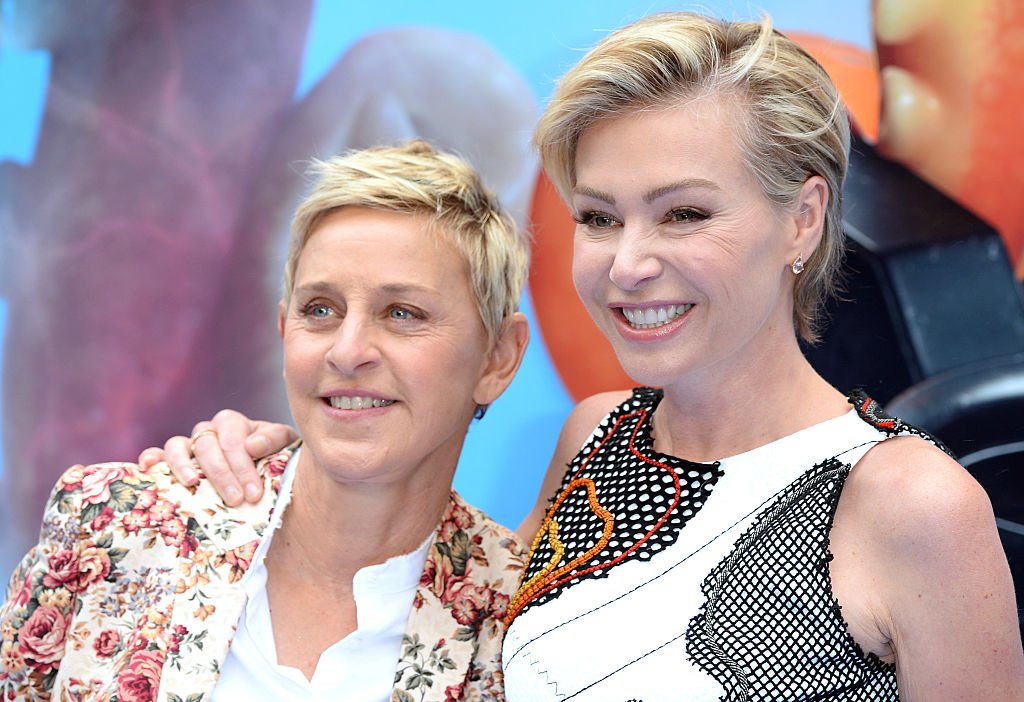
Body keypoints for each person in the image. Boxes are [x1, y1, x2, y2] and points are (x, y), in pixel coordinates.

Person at [143, 12, 1024, 701]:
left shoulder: (914, 503)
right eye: (599, 217)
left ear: (802, 219)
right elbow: (423, 618)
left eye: (684, 214)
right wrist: (254, 465)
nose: (627, 263)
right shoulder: (595, 441)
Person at [0, 140, 532, 701]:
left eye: (403, 313)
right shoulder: (111, 524)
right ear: (284, 330)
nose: (347, 352)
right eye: (320, 310)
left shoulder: (521, 622)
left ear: (497, 358)